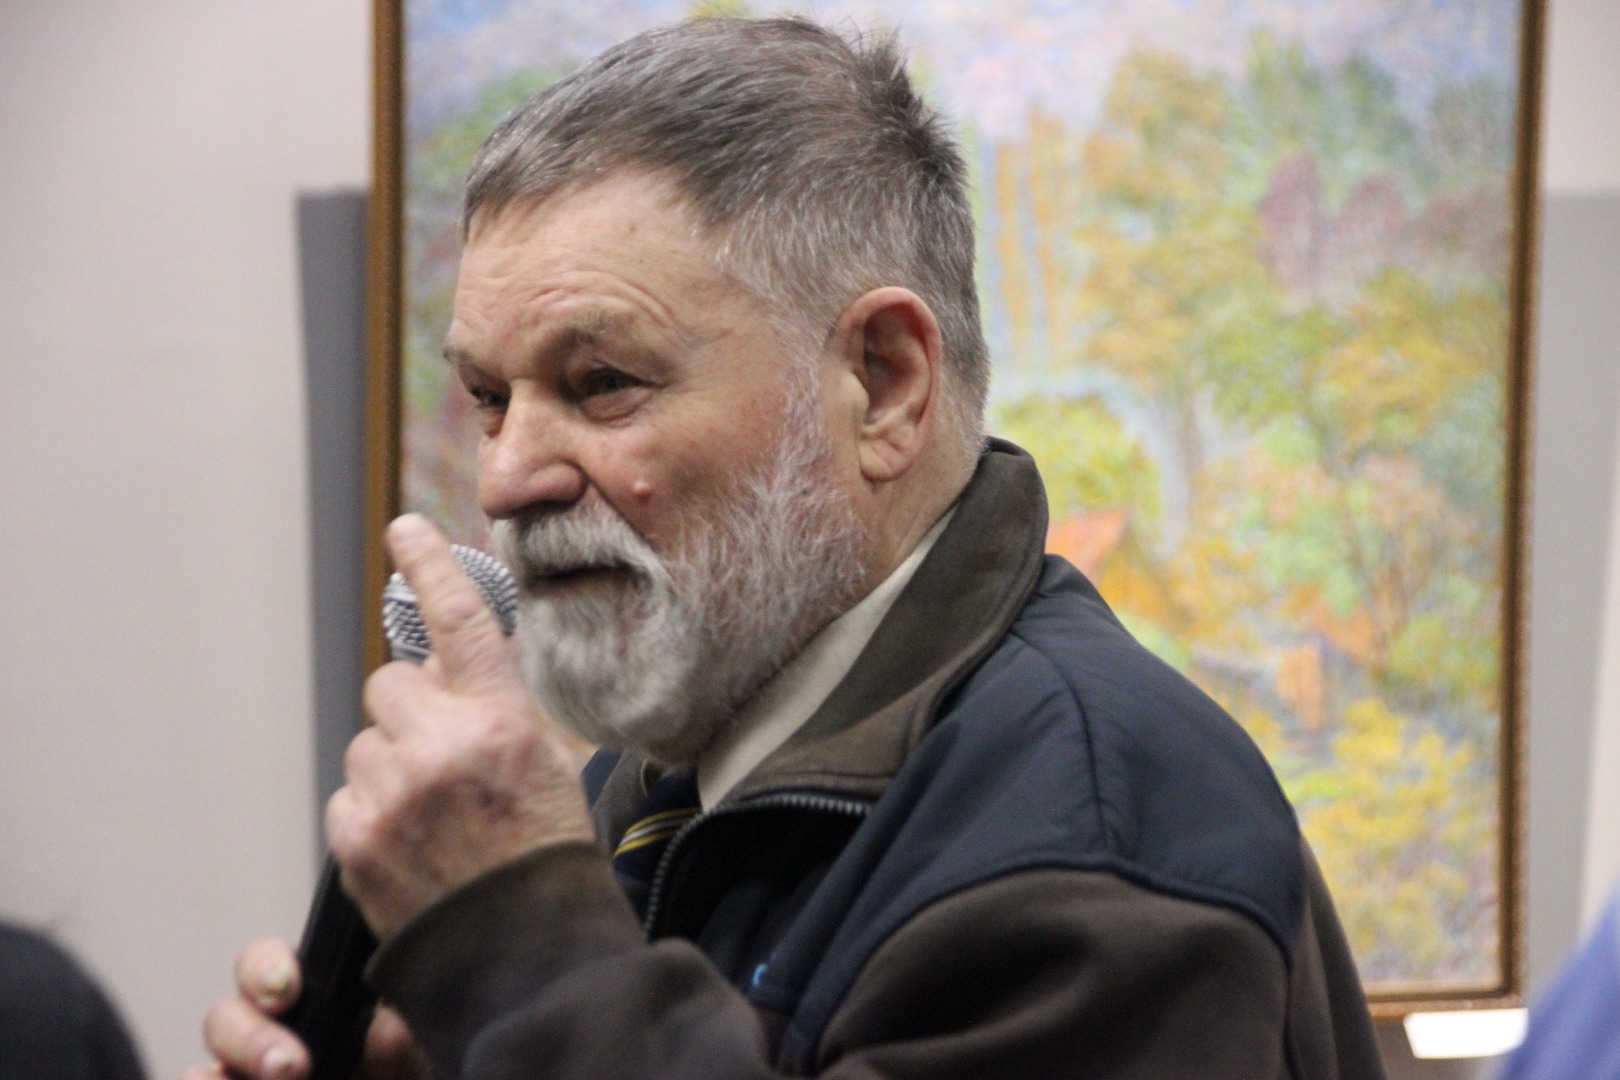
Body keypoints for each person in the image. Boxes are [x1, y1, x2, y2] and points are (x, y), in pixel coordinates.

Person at [188, 16, 1385, 1080]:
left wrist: (526, 951)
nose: (506, 478)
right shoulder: (654, 776)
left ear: (883, 384)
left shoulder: (1097, 843)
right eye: (492, 398)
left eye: (601, 382)